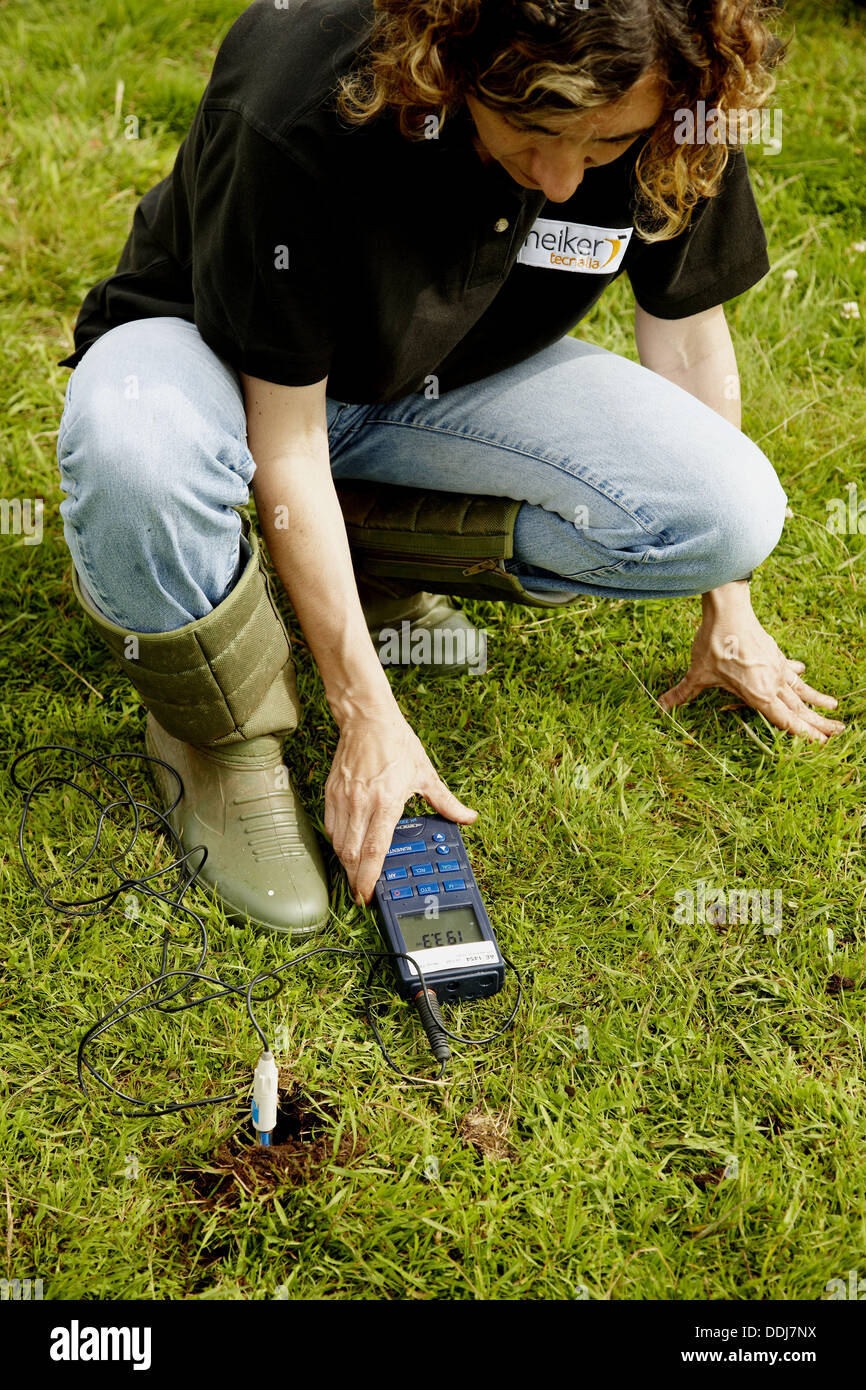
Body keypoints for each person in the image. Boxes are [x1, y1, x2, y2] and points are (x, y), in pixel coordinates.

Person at [56, 0, 843, 936]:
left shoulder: (674, 85)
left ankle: (353, 557)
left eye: (604, 144)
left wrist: (733, 608)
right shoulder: (307, 85)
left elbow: (685, 336)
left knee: (727, 513)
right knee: (134, 451)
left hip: (433, 385)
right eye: (536, 130)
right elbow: (289, 435)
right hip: (225, 369)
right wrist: (367, 714)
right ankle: (220, 728)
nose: (560, 178)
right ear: (457, 59)